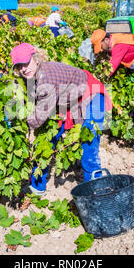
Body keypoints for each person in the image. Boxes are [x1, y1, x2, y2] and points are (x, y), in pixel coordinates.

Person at [10, 43, 113, 195]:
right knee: (47, 140)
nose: (24, 69)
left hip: (92, 95)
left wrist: (20, 118)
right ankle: (37, 188)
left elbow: (37, 119)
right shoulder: (33, 75)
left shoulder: (46, 79)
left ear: (36, 59)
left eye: (26, 63)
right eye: (19, 66)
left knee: (89, 147)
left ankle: (96, 193)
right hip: (69, 100)